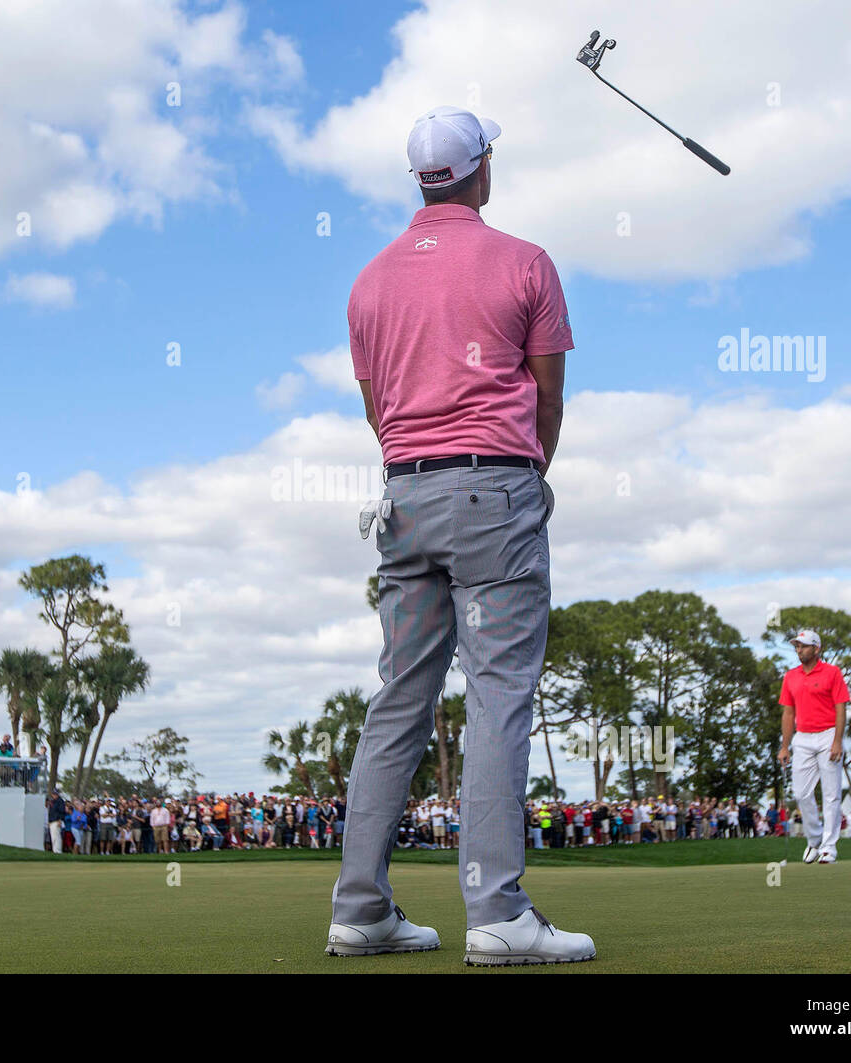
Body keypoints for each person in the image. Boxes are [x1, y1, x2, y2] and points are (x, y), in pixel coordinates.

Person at [326, 106, 592, 966]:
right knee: (499, 695)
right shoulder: (526, 262)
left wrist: (420, 470)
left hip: (403, 501)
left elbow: (379, 410)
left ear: (421, 178)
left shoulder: (370, 281)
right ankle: (498, 913)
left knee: (398, 699)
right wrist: (527, 471)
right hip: (494, 494)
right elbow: (547, 396)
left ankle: (361, 910)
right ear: (482, 171)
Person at [777, 630, 851, 865]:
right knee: (801, 793)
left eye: (804, 646)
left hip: (828, 734)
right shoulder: (790, 677)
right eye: (797, 646)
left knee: (831, 795)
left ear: (816, 649)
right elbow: (788, 713)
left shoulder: (832, 672)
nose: (799, 650)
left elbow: (841, 708)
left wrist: (837, 740)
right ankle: (815, 839)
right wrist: (784, 746)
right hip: (803, 738)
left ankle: (829, 848)